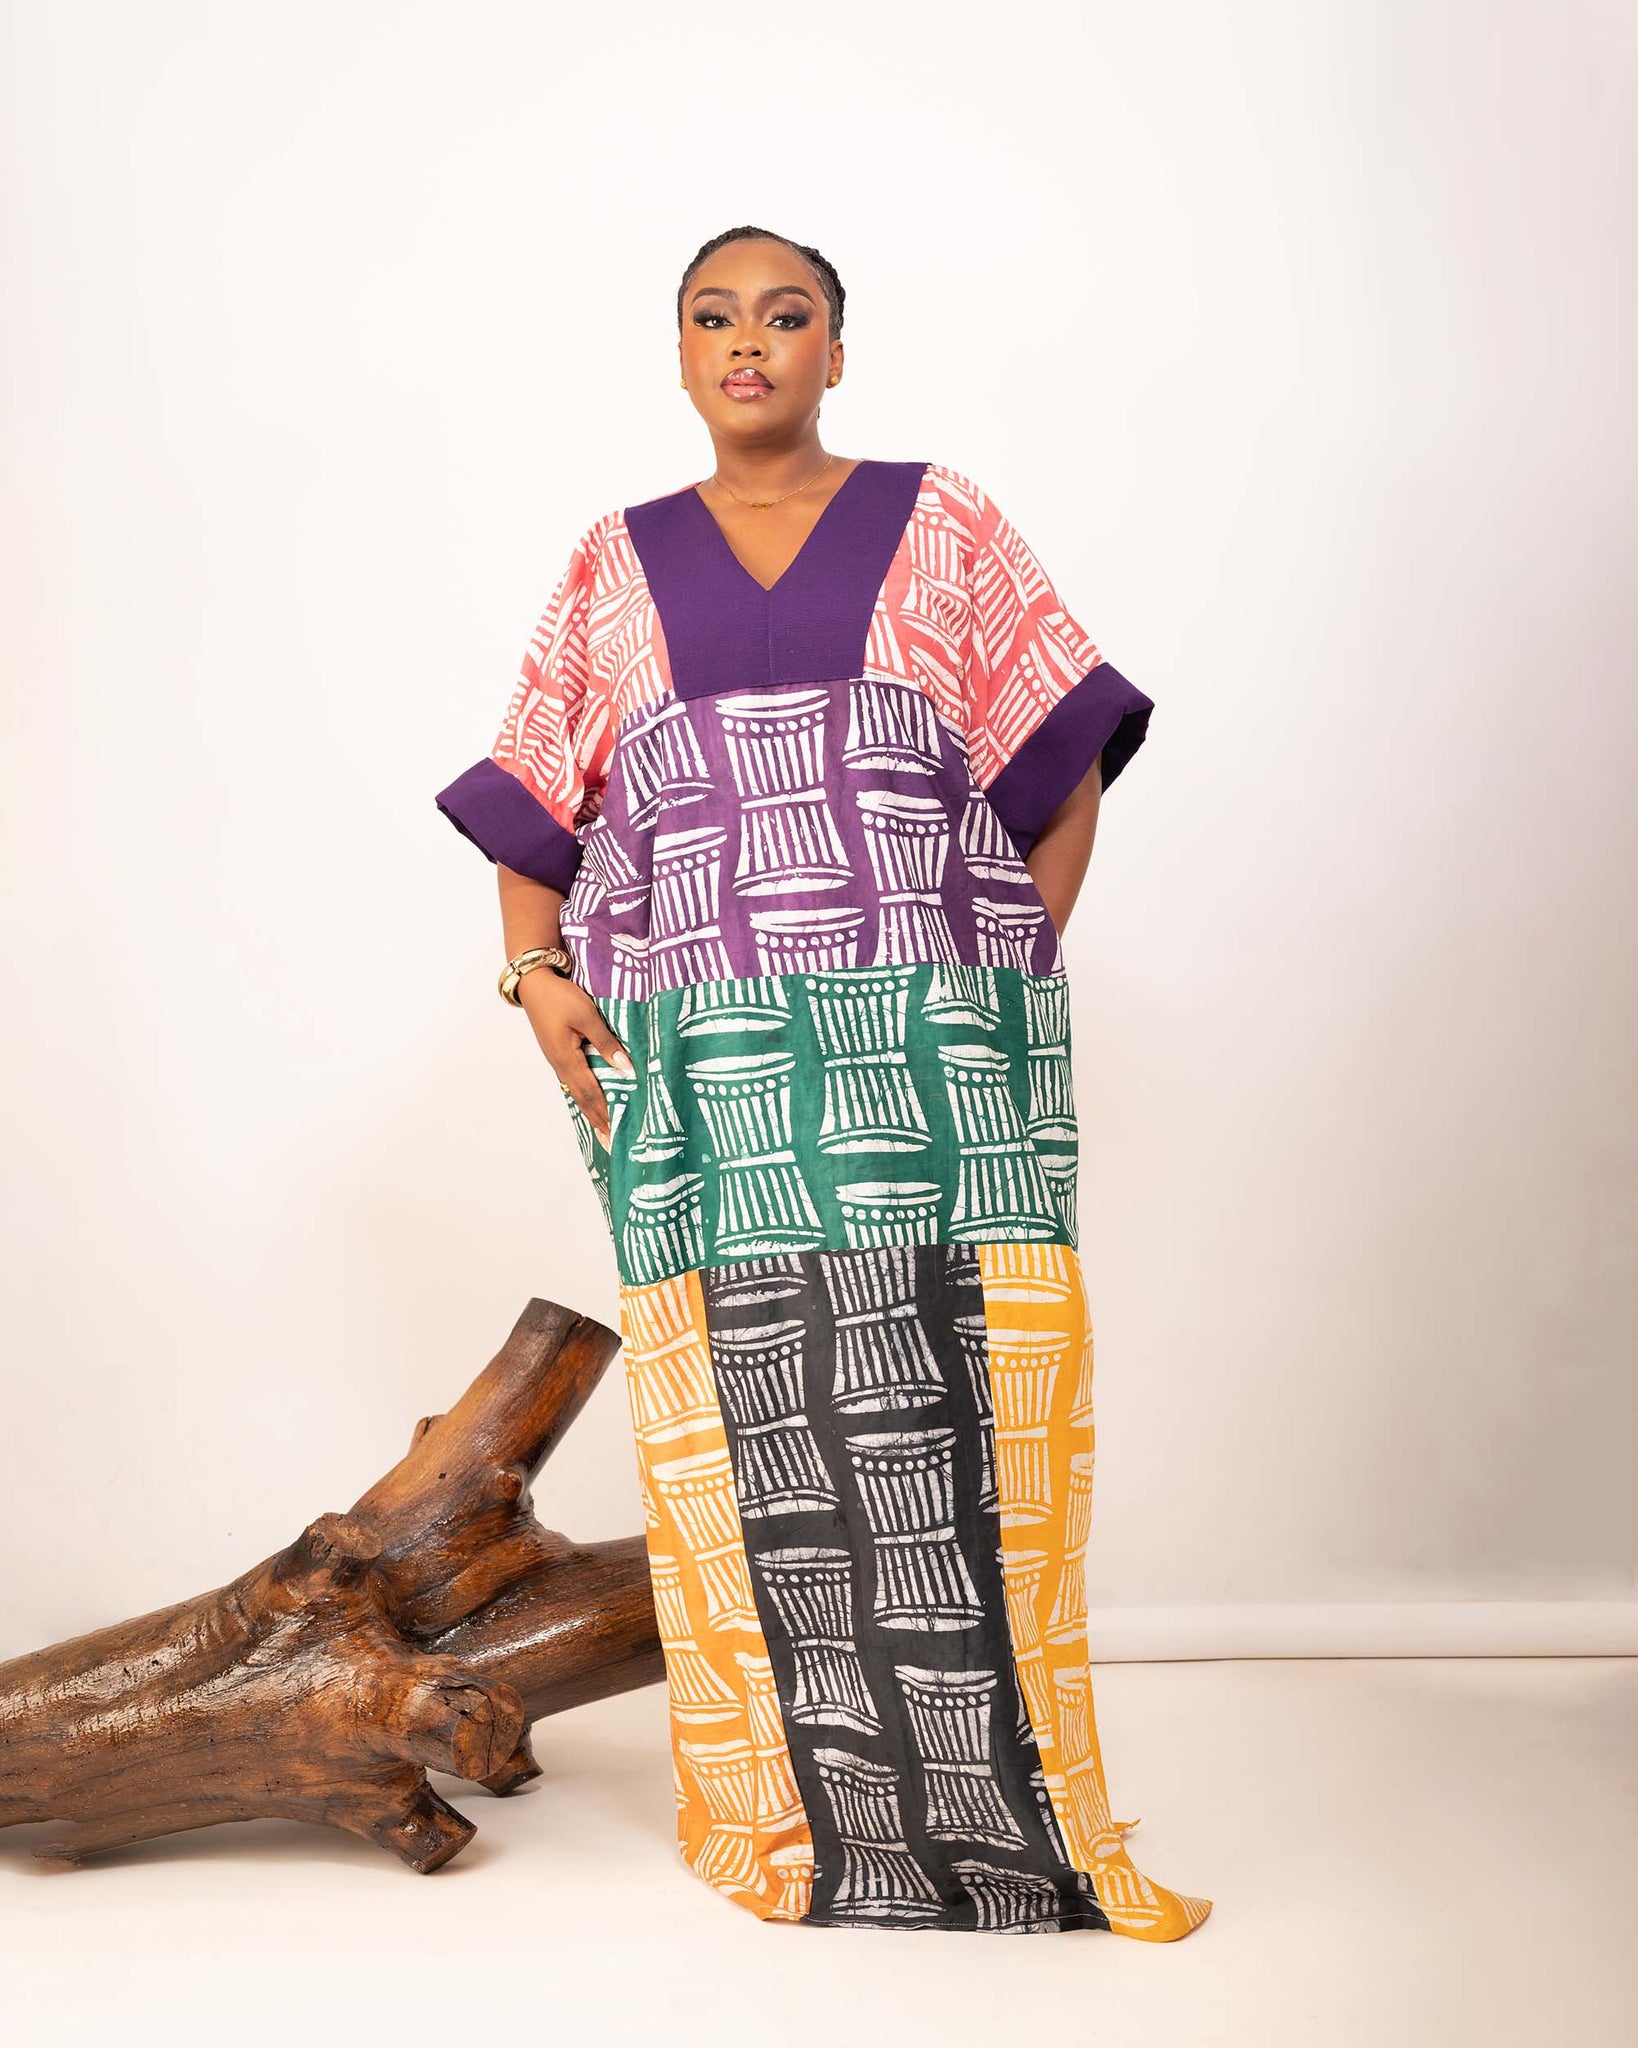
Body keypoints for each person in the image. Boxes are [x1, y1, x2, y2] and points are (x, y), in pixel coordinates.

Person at [435, 224, 1212, 1939]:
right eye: (713, 316)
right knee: (740, 1417)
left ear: (834, 352)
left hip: (936, 1061)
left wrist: (1004, 957)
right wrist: (534, 972)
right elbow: (540, 797)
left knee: (981, 1411)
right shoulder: (615, 563)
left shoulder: (943, 522)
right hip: (707, 1068)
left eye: (785, 316)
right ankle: (779, 1825)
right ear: (679, 353)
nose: (748, 342)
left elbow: (1058, 758)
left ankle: (1023, 1830)